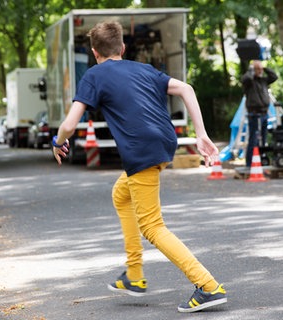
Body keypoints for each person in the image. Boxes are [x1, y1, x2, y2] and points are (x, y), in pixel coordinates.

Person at [51, 21, 227, 313]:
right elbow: (186, 88)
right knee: (121, 195)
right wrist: (201, 134)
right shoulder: (144, 69)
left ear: (95, 52)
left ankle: (208, 286)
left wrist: (58, 142)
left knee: (153, 227)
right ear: (122, 48)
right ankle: (134, 274)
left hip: (141, 150)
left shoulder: (94, 75)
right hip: (163, 141)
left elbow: (70, 124)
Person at [241, 60, 278, 167]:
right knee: (254, 140)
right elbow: (245, 78)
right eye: (258, 69)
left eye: (261, 69)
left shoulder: (263, 81)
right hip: (254, 114)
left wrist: (264, 68)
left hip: (264, 113)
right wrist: (252, 69)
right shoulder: (249, 82)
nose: (260, 71)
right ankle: (250, 164)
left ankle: (261, 161)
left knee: (264, 139)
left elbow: (274, 76)